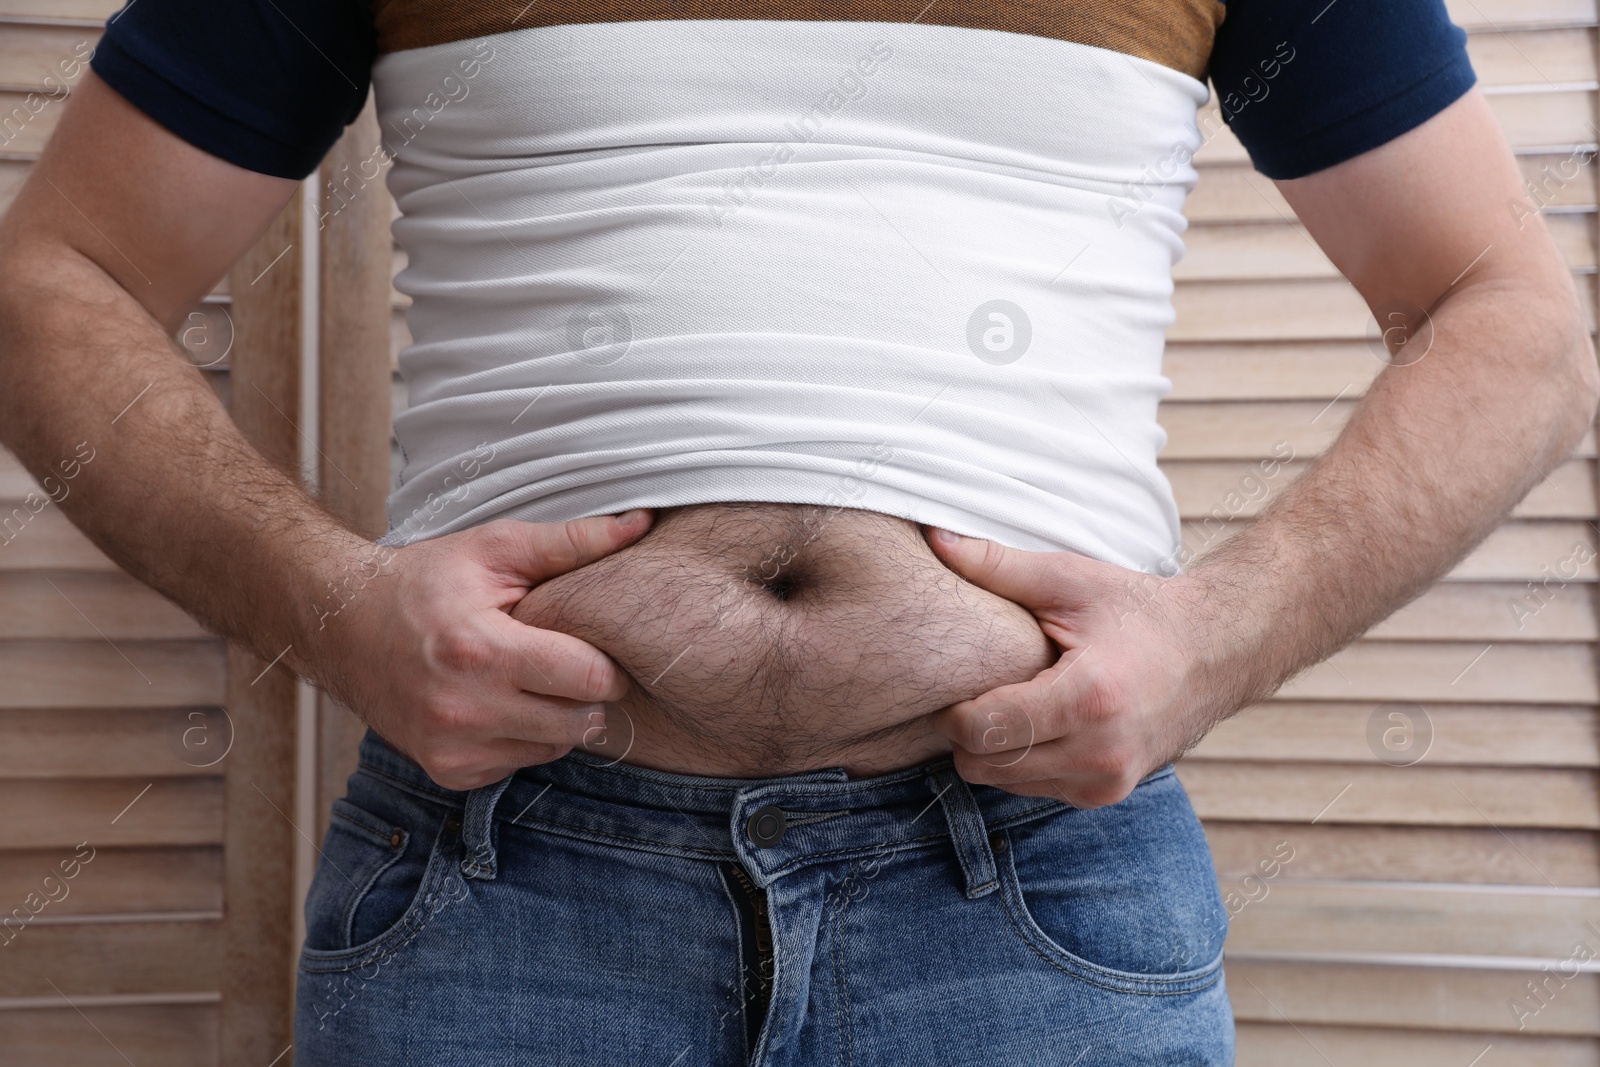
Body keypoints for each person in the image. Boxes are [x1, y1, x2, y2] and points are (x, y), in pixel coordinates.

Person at [0, 0, 1592, 1062]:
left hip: (1024, 889)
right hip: (510, 879)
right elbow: (51, 284)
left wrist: (1223, 637)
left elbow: (1509, 319)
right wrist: (334, 607)